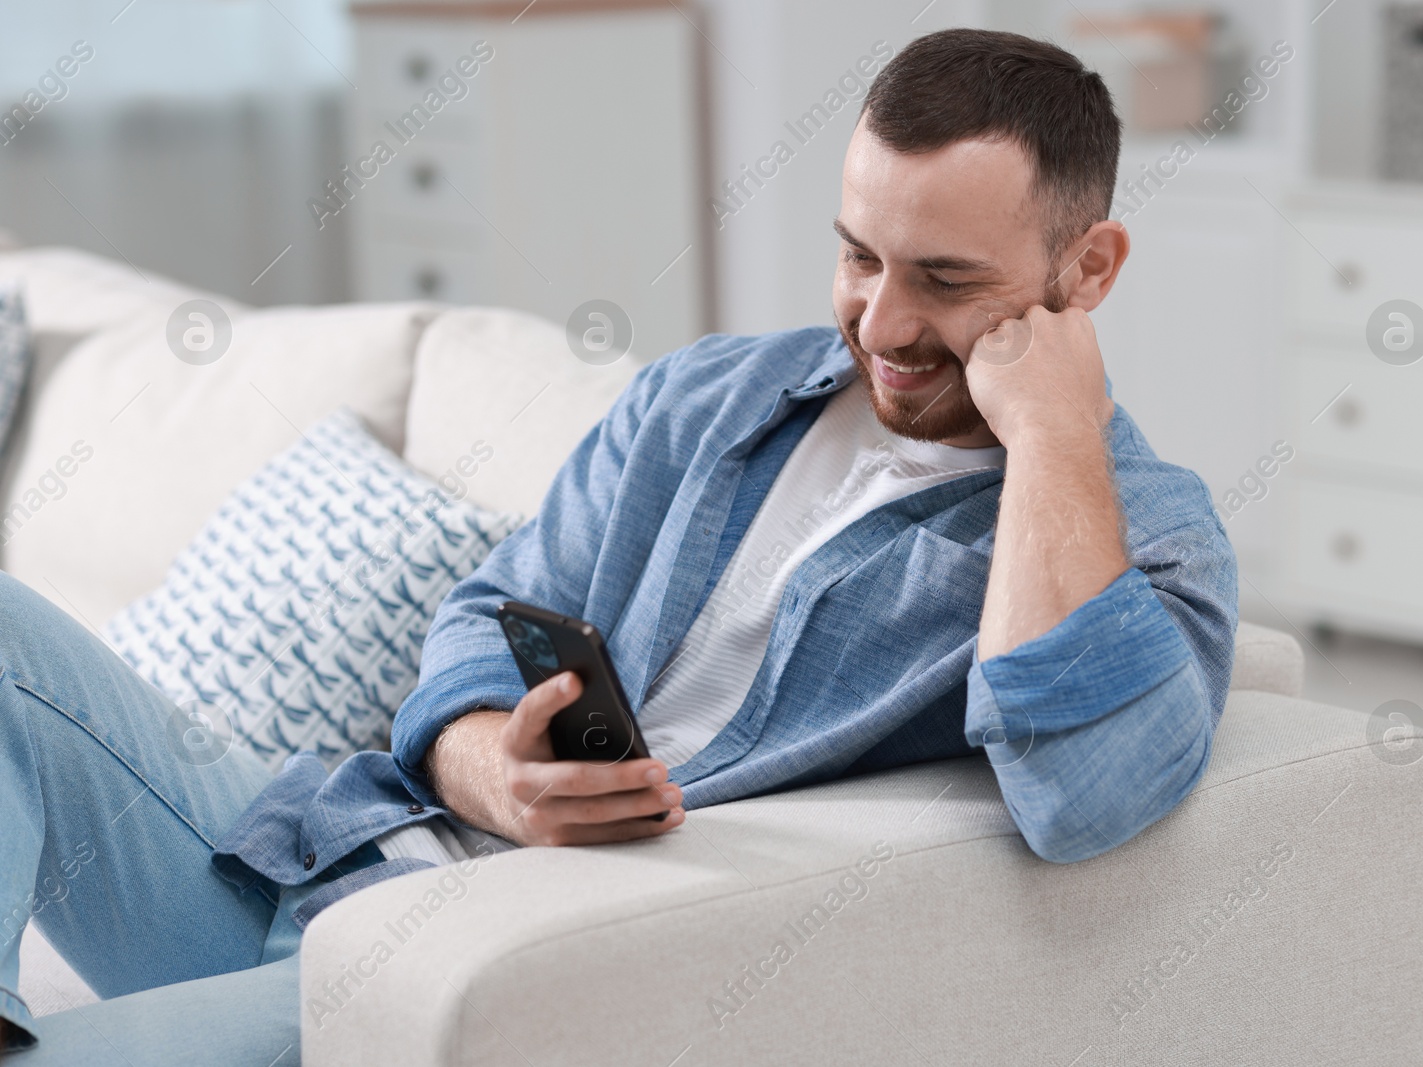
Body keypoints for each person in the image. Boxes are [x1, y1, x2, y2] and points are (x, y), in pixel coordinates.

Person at [0, 27, 1235, 1065]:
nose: (885, 320)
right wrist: (496, 770)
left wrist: (1056, 429)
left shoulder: (1149, 534)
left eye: (949, 280)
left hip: (495, 961)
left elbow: (1084, 792)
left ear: (1088, 268)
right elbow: (492, 608)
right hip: (338, 850)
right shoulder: (705, 396)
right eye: (859, 256)